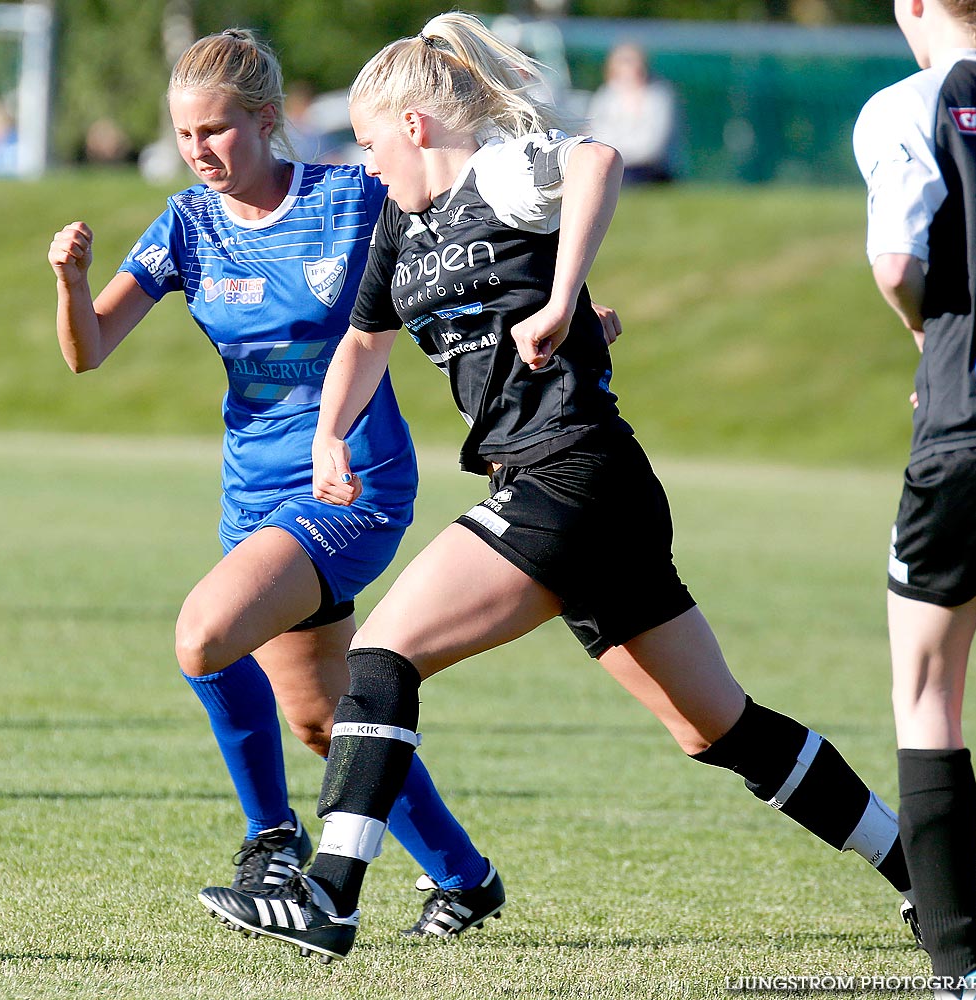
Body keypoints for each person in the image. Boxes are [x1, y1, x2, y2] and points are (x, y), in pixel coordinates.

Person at [198, 11, 918, 965]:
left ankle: (329, 896)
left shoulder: (499, 169)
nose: (367, 167)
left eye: (371, 145)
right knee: (717, 729)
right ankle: (923, 873)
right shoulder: (401, 232)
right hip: (579, 490)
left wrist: (563, 294)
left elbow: (599, 161)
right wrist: (330, 433)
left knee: (380, 655)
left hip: (571, 472)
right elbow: (364, 343)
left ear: (415, 126)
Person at [47, 27, 520, 941]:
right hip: (253, 501)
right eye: (186, 137)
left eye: (217, 132)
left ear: (268, 122)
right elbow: (89, 352)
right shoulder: (185, 223)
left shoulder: (350, 198)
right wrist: (70, 284)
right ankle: (465, 879)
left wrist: (558, 311)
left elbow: (465, 248)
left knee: (203, 636)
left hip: (353, 485)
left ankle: (269, 841)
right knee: (319, 720)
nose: (200, 153)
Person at [853, 1, 976, 997]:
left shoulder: (908, 104)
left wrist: (927, 336)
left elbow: (895, 264)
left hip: (968, 428)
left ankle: (963, 973)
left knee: (926, 687)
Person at [585, 42, 676, 185]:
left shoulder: (658, 96)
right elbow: (595, 132)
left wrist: (619, 154)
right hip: (611, 162)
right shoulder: (606, 96)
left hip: (646, 169)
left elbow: (653, 146)